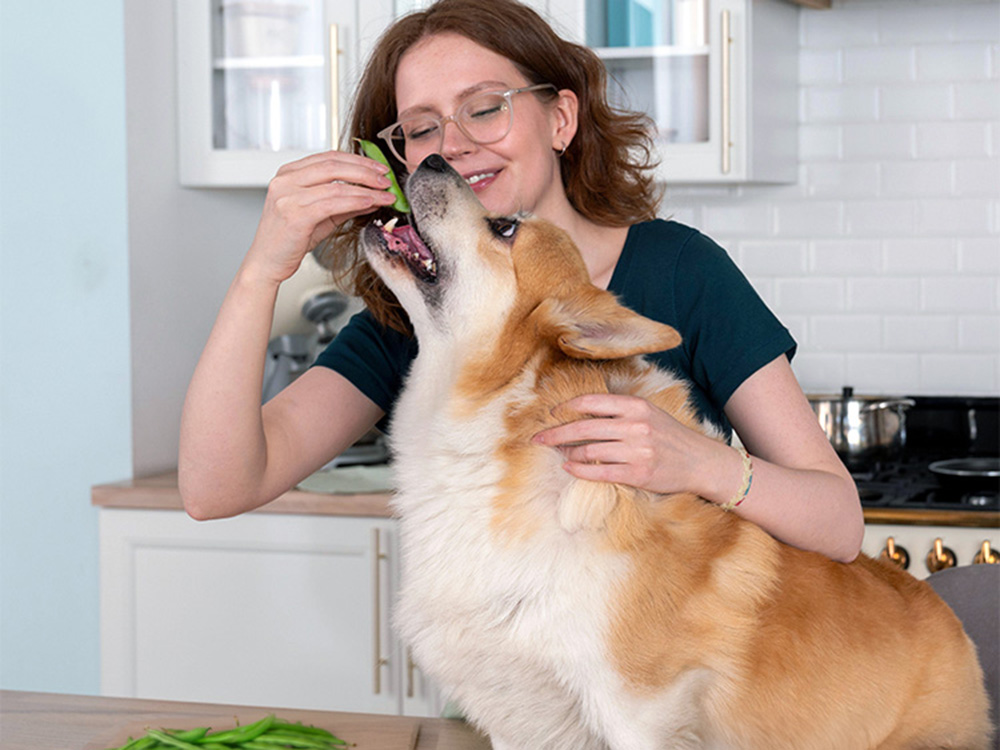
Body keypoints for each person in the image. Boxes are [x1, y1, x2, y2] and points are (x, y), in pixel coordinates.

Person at [179, 0, 863, 563]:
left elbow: (839, 524)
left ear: (560, 118)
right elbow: (216, 489)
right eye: (420, 128)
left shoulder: (682, 271)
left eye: (484, 108)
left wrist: (705, 466)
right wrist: (262, 269)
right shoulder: (419, 313)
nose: (451, 146)